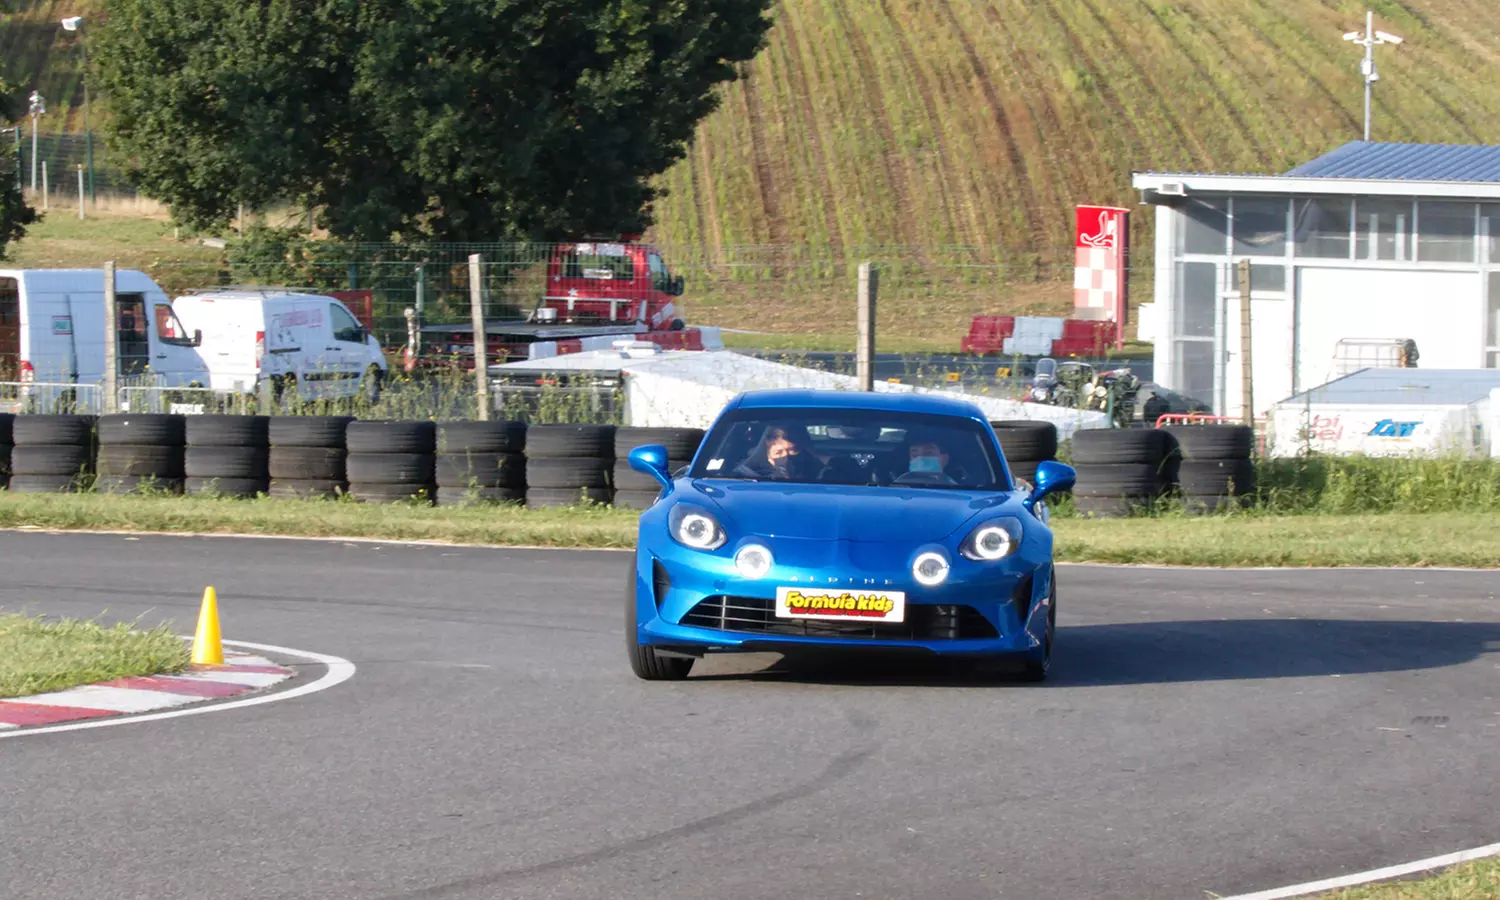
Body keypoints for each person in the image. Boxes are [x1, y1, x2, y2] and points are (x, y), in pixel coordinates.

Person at [733, 423, 823, 481]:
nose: (786, 457)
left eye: (793, 450)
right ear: (767, 454)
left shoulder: (821, 476)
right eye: (778, 452)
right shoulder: (746, 478)